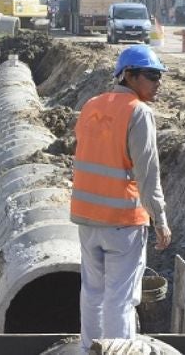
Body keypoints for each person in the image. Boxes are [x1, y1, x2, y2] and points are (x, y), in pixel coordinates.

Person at [71, 45, 172, 352]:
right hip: (123, 222)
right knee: (121, 297)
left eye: (159, 76)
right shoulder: (138, 112)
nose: (158, 83)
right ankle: (119, 352)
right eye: (151, 76)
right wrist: (160, 220)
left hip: (87, 217)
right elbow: (148, 172)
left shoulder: (91, 105)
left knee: (92, 291)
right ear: (128, 76)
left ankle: (91, 349)